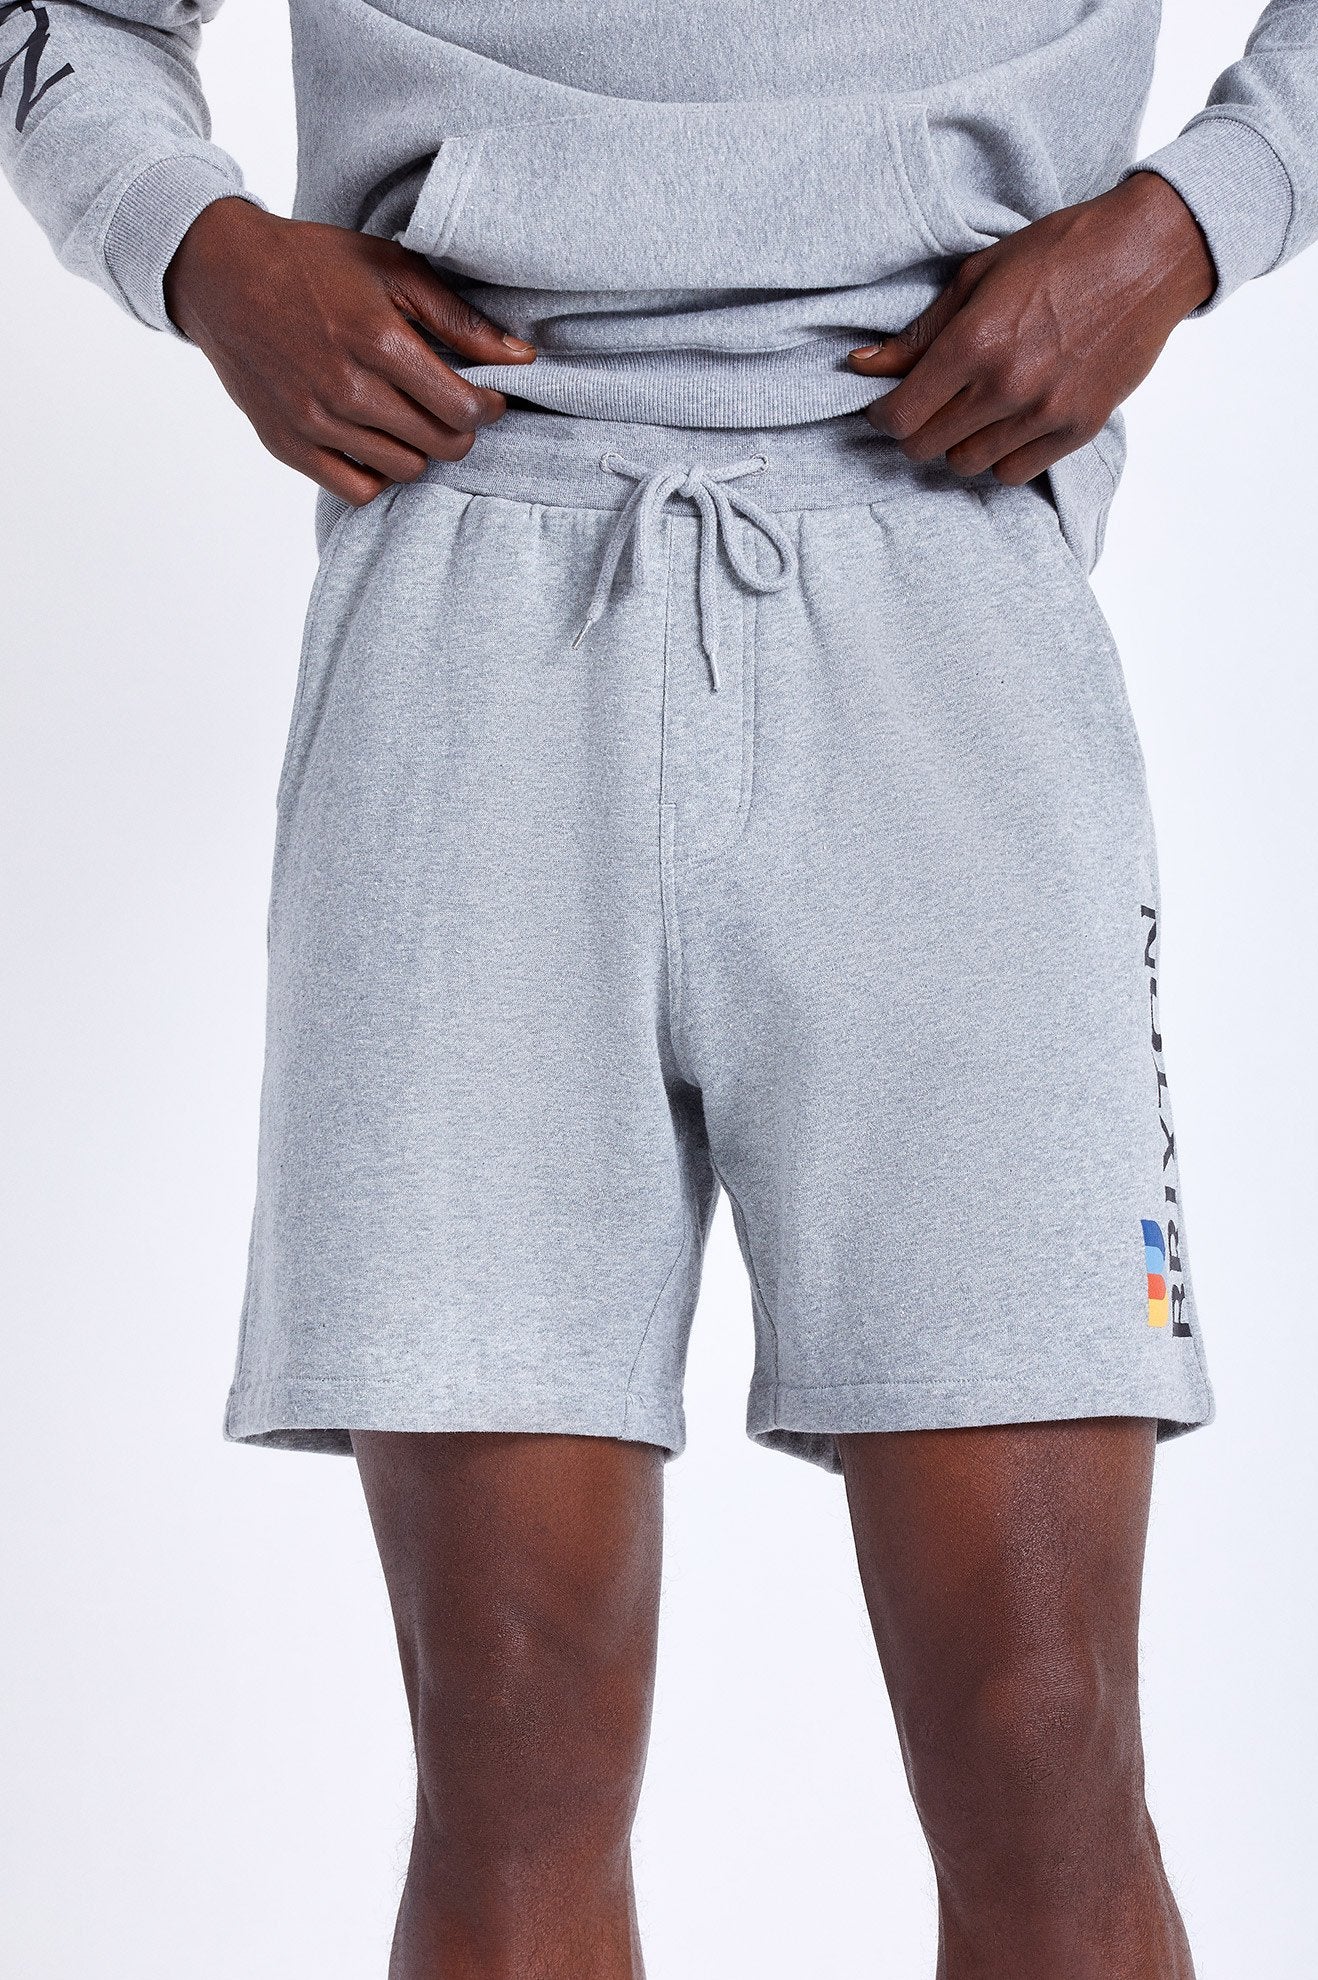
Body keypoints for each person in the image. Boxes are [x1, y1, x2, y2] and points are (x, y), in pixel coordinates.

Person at [5, 3, 1314, 1973]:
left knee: (1043, 1747)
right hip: (467, 612)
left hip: (944, 602)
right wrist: (196, 249)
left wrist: (1191, 220)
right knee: (508, 1759)